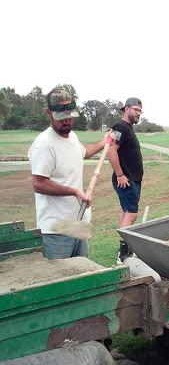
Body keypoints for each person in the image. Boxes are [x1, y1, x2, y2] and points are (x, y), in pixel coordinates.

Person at [29, 86, 114, 260]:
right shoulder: (44, 145)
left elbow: (84, 152)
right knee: (61, 282)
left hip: (79, 223)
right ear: (49, 113)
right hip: (57, 229)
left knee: (81, 277)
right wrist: (73, 191)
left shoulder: (72, 137)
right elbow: (38, 183)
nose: (66, 122)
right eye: (61, 118)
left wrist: (103, 142)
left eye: (69, 117)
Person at [108, 97, 143, 262]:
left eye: (140, 111)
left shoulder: (127, 128)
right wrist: (120, 174)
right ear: (126, 109)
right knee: (131, 214)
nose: (138, 114)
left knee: (126, 213)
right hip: (126, 179)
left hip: (131, 179)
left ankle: (124, 251)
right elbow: (111, 150)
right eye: (136, 110)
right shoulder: (120, 126)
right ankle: (124, 254)